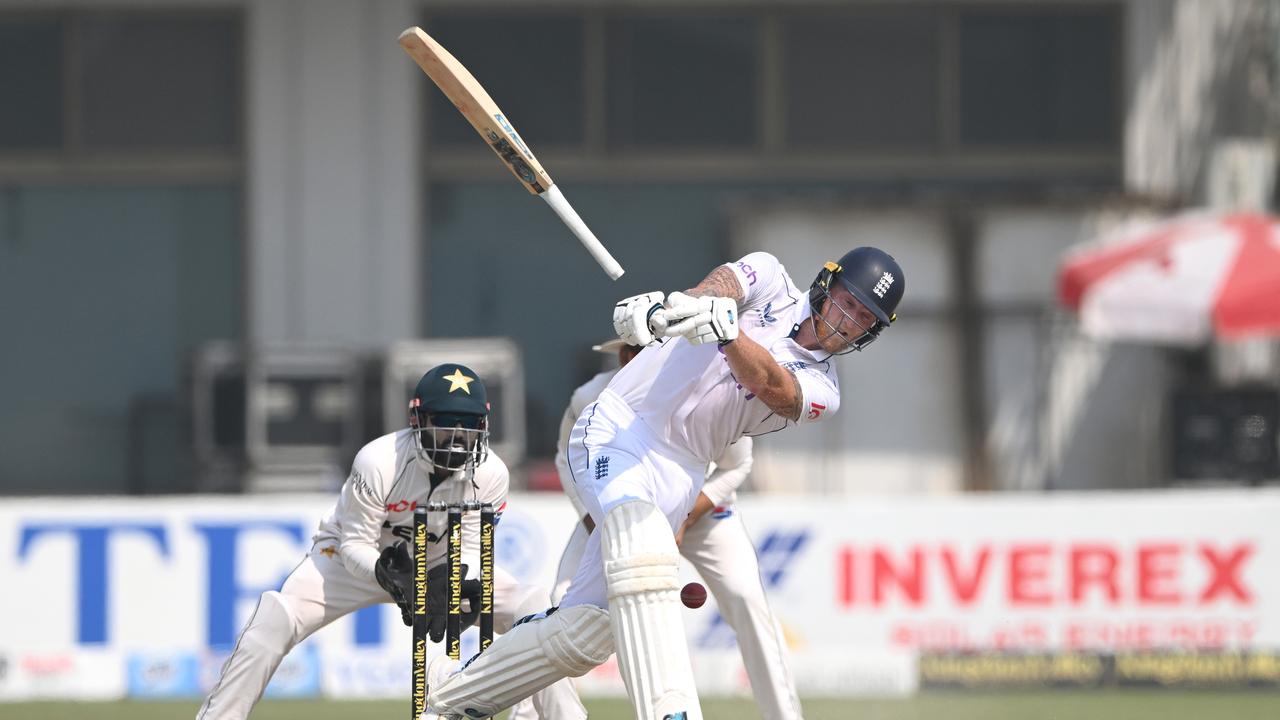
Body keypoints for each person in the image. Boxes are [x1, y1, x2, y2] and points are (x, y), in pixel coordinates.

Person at [422, 247, 905, 720]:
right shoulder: (773, 278)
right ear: (826, 283)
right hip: (622, 429)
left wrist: (729, 334)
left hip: (684, 471)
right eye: (848, 301)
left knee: (588, 633)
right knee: (646, 547)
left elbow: (773, 387)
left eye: (864, 318)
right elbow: (721, 286)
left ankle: (451, 700)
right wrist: (680, 308)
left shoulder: (826, 390)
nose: (848, 321)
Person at [196, 364, 584, 720]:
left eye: (469, 425)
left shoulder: (492, 473)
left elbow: (468, 548)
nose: (457, 438)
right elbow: (354, 545)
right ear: (418, 420)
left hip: (438, 565)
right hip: (358, 562)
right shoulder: (379, 460)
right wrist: (391, 575)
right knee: (277, 617)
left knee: (532, 607)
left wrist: (447, 578)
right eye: (446, 423)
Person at [509, 338, 804, 720]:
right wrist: (597, 516)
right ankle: (540, 715)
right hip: (618, 510)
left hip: (700, 515)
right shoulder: (592, 396)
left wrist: (683, 517)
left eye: (662, 346)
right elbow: (567, 459)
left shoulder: (713, 389)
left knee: (746, 599)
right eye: (642, 350)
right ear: (623, 356)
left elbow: (736, 467)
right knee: (561, 597)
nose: (655, 357)